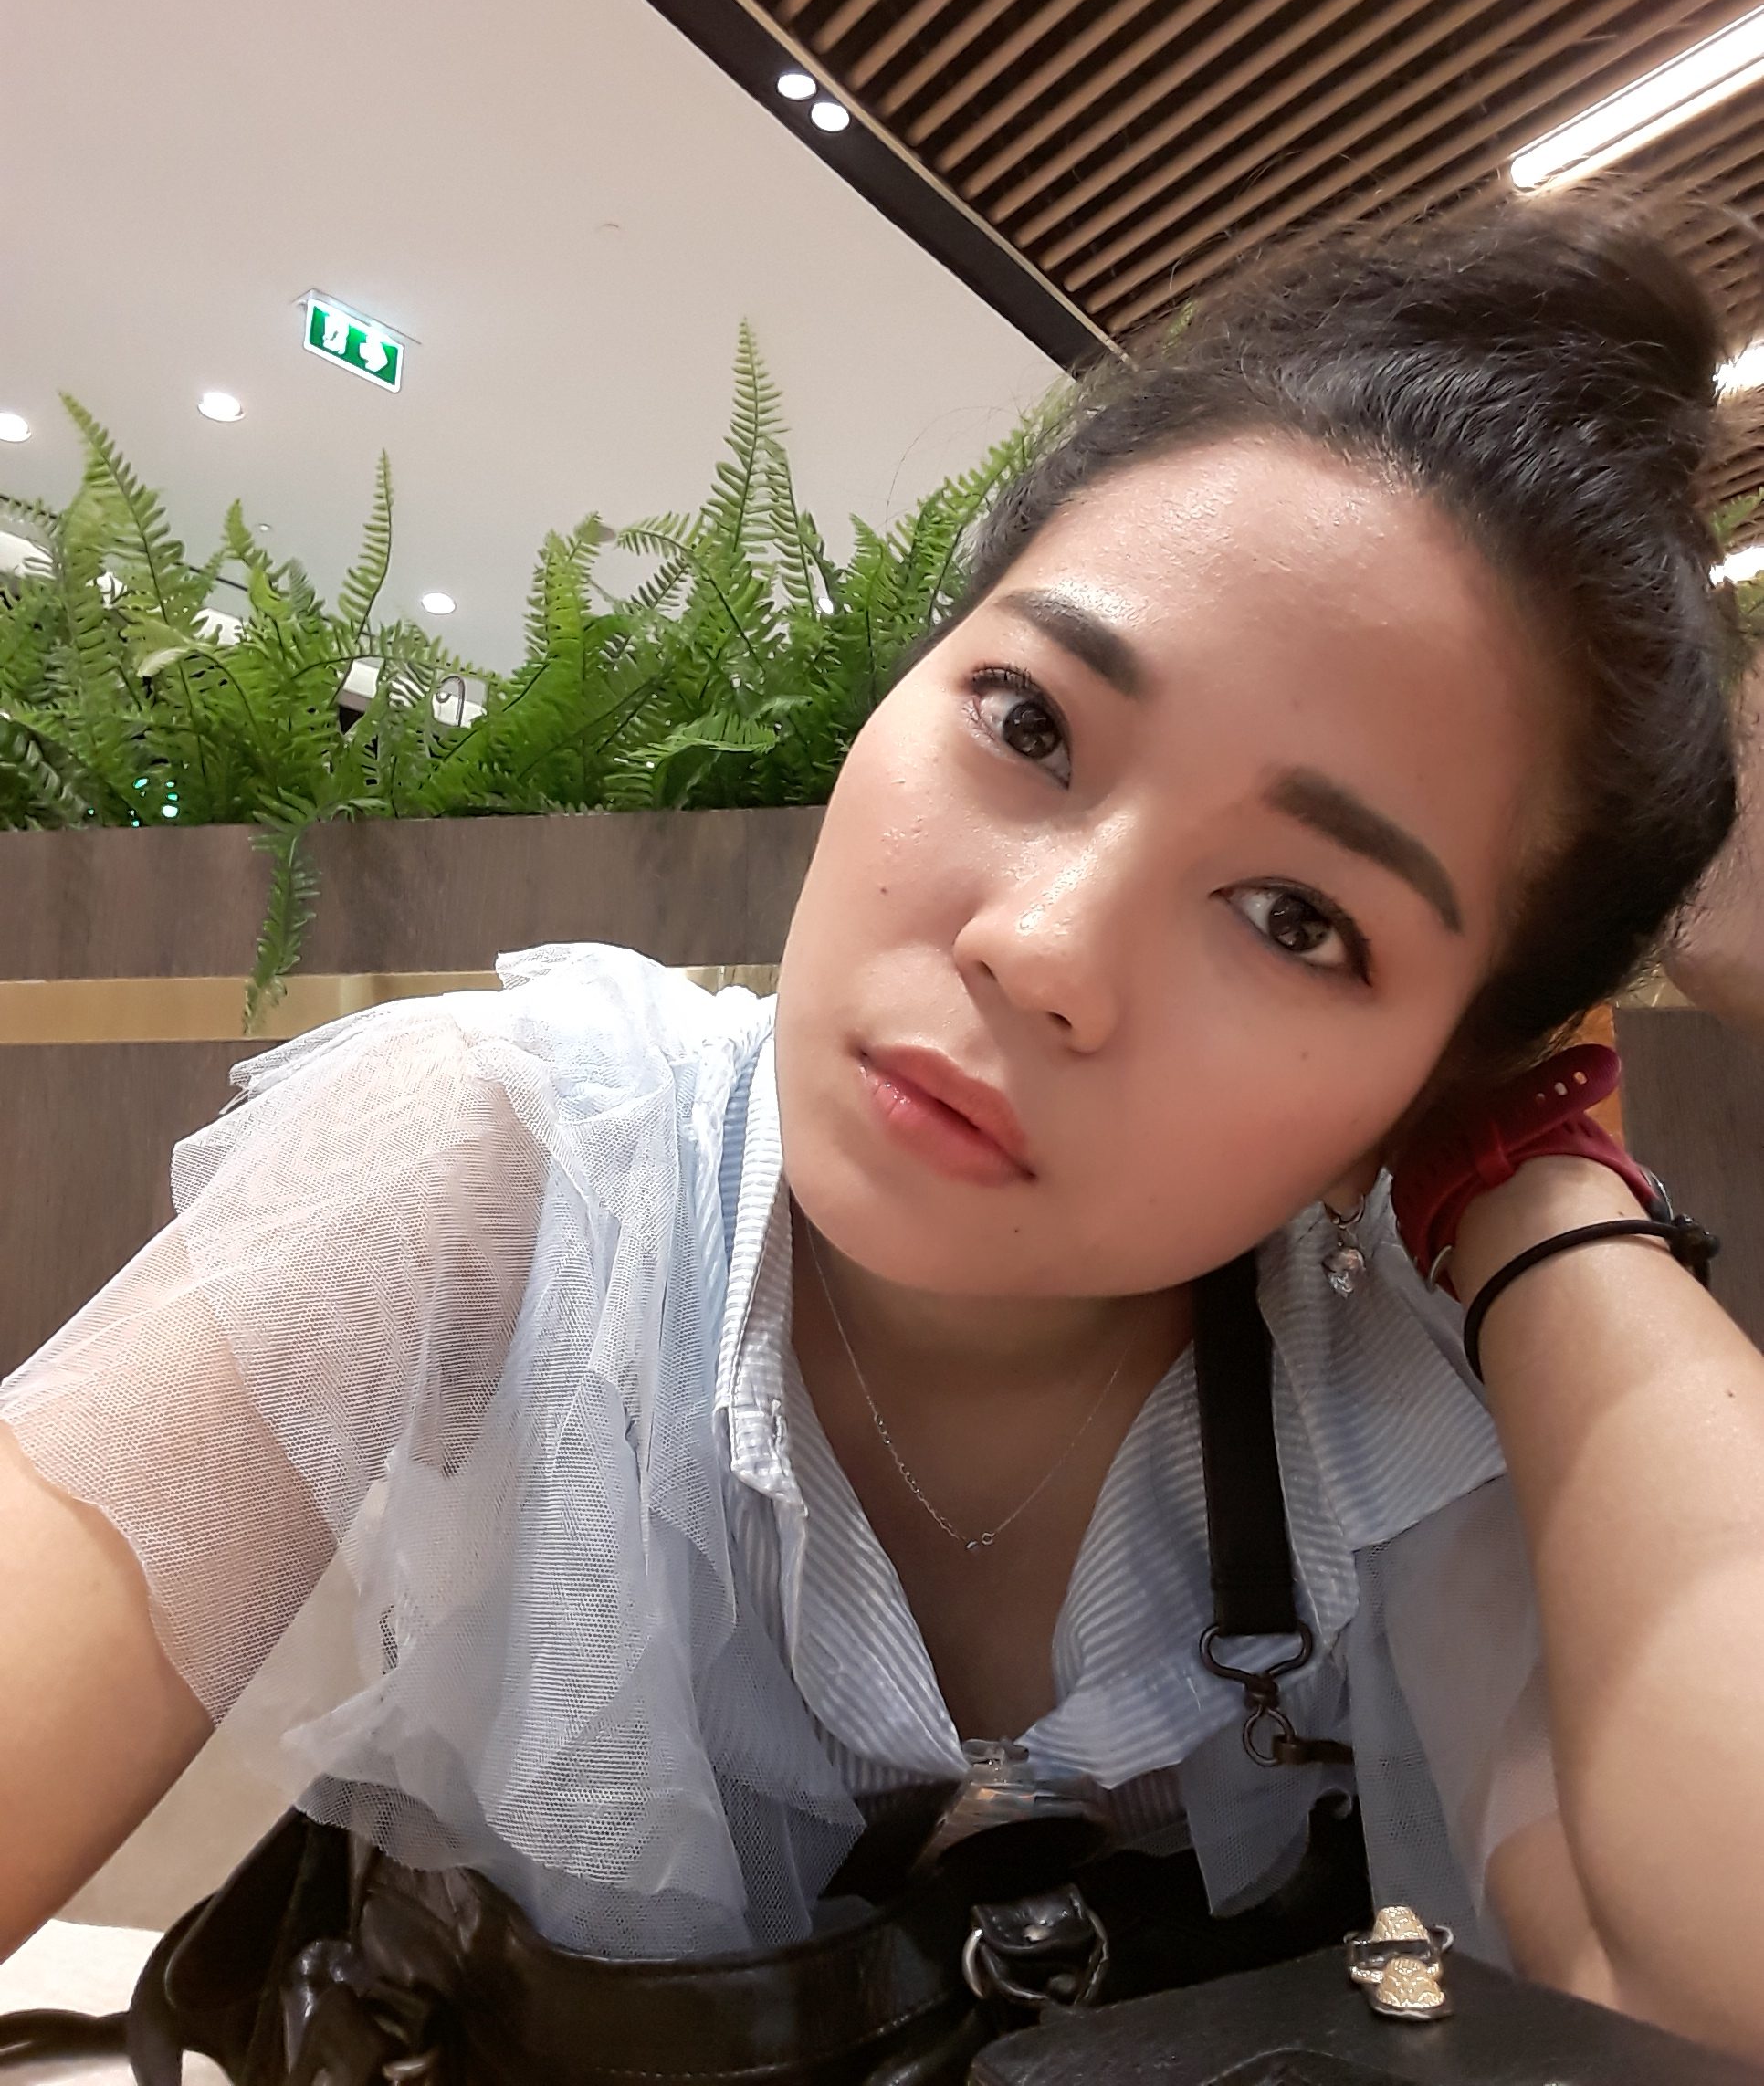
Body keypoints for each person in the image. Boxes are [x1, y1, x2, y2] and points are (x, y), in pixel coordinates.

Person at [4, 194, 1764, 2068]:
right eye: (1030, 723)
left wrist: (1543, 1191)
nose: (1042, 948)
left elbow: (1713, 1985)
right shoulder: (515, 1163)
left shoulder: (1388, 1402)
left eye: (1297, 919)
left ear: (1432, 1078)